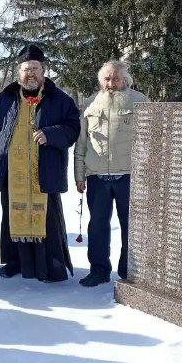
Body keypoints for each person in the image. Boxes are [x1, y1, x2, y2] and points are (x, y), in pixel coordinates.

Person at [0, 45, 79, 282]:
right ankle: (16, 263)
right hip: (11, 172)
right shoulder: (2, 100)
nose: (30, 74)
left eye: (35, 68)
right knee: (12, 217)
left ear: (44, 70)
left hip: (45, 172)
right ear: (18, 72)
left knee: (48, 220)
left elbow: (73, 129)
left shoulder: (60, 99)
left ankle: (50, 268)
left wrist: (51, 134)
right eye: (26, 69)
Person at [74, 60, 149, 287]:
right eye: (107, 78)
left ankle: (129, 271)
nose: (111, 83)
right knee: (97, 226)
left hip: (129, 176)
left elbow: (150, 141)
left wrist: (146, 175)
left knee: (131, 227)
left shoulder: (140, 102)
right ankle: (98, 270)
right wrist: (79, 175)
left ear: (125, 79)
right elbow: (81, 144)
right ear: (100, 80)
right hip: (97, 177)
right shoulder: (89, 104)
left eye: (115, 78)